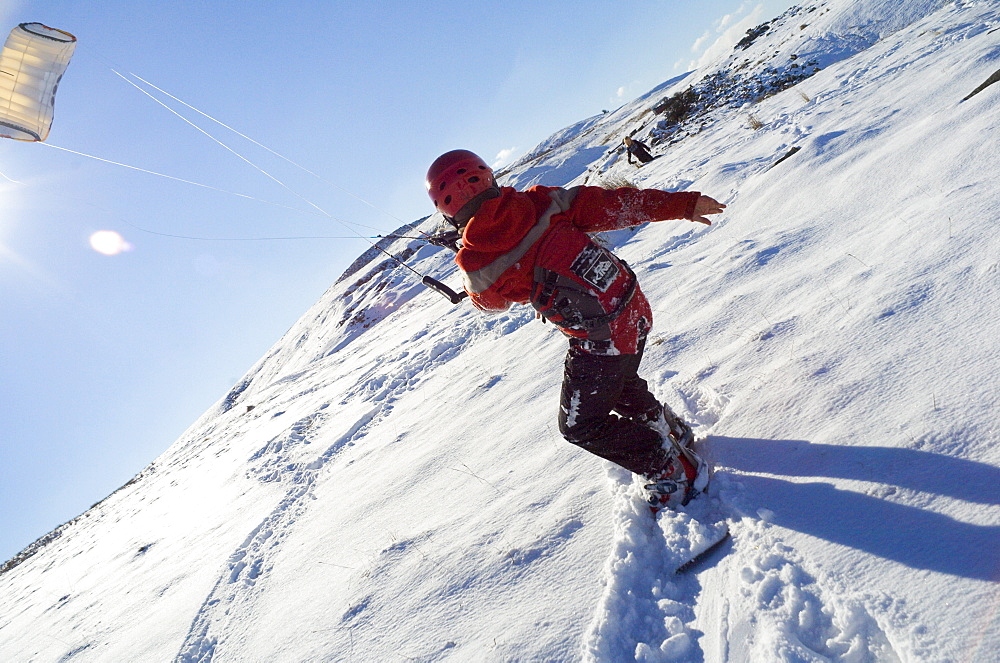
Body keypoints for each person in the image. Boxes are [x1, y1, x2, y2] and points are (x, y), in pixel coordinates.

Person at [425, 149, 726, 508]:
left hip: (601, 340)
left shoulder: (475, 262)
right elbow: (616, 205)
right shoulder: (543, 201)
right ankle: (666, 428)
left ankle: (668, 470)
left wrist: (474, 268)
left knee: (579, 427)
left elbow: (492, 304)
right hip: (634, 308)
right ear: (487, 176)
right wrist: (683, 205)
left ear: (447, 208)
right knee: (620, 381)